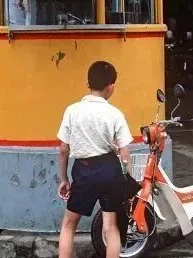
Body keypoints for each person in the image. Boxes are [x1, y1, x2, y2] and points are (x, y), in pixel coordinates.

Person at [56, 61, 133, 258]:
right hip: (110, 170)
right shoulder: (115, 113)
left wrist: (64, 178)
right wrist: (127, 180)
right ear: (111, 87)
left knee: (69, 224)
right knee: (111, 227)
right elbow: (125, 154)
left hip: (84, 171)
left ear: (87, 84)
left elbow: (63, 149)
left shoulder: (72, 111)